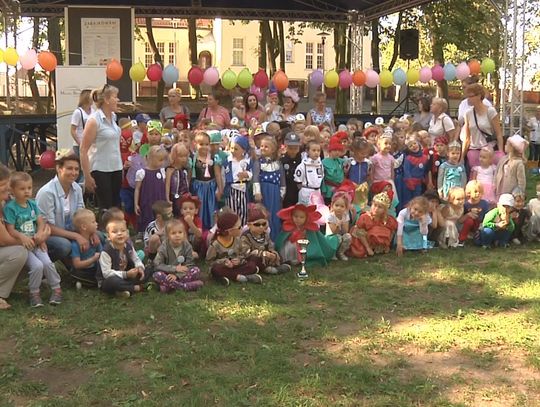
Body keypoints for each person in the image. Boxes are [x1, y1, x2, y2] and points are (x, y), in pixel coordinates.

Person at [4, 172, 62, 307]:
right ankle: (34, 293)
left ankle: (56, 288)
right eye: (22, 189)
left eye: (29, 188)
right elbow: (10, 229)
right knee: (37, 266)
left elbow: (40, 221)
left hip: (37, 243)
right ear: (12, 190)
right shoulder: (10, 208)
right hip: (24, 245)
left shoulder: (32, 204)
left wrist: (40, 235)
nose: (27, 191)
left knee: (47, 263)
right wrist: (22, 237)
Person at [36, 151, 87, 262]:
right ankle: (48, 267)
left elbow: (82, 216)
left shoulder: (77, 188)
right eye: (69, 168)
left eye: (76, 169)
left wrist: (90, 232)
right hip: (49, 234)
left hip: (71, 230)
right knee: (64, 246)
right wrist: (76, 236)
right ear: (59, 168)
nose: (74, 172)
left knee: (99, 236)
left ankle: (82, 267)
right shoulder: (47, 193)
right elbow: (47, 226)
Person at [80, 84, 123, 211]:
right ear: (107, 100)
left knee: (116, 206)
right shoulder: (94, 120)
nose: (118, 100)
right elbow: (83, 150)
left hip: (116, 167)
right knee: (106, 208)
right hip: (100, 170)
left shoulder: (113, 117)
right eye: (115, 97)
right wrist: (87, 176)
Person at [98, 218, 150, 297]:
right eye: (115, 232)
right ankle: (134, 288)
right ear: (108, 236)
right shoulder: (106, 251)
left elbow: (136, 258)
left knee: (147, 270)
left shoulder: (128, 246)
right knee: (112, 282)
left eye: (123, 231)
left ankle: (122, 290)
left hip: (126, 276)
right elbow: (106, 273)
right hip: (110, 279)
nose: (119, 233)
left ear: (127, 233)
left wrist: (139, 267)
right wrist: (126, 274)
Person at [0, 164, 28, 310]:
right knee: (19, 252)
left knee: (25, 251)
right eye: (3, 186)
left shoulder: (5, 201)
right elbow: (4, 239)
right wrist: (33, 239)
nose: (7, 190)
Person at [206, 212, 261, 286]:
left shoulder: (237, 240)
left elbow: (243, 254)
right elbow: (209, 262)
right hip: (224, 267)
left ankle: (231, 276)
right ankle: (241, 277)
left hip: (236, 267)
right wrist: (224, 262)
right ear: (229, 231)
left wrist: (239, 260)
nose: (241, 228)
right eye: (239, 227)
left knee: (252, 263)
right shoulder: (215, 244)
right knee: (216, 270)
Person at [152, 219, 204, 293]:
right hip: (167, 273)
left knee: (196, 270)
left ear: (184, 234)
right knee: (156, 275)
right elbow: (157, 264)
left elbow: (189, 264)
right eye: (173, 233)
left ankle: (169, 287)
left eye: (180, 232)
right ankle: (185, 286)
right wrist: (174, 269)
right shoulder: (163, 247)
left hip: (182, 273)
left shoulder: (187, 246)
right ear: (168, 236)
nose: (177, 235)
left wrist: (177, 275)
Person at [461, 83, 504, 168]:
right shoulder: (468, 113)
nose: (468, 99)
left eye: (471, 96)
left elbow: (499, 134)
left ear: (479, 96)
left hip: (489, 149)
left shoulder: (490, 112)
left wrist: (500, 152)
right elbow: (467, 137)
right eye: (467, 96)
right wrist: (462, 157)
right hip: (474, 150)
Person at [240, 204, 291, 275]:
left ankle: (275, 266)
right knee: (254, 259)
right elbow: (245, 252)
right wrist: (262, 254)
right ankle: (268, 269)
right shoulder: (245, 236)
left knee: (277, 254)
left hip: (266, 257)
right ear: (249, 225)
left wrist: (272, 253)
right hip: (253, 258)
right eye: (257, 224)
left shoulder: (265, 234)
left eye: (263, 224)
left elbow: (270, 246)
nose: (261, 227)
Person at [253, 136, 285, 241]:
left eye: (266, 147)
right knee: (264, 213)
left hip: (275, 192)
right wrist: (257, 192)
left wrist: (281, 193)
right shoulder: (258, 163)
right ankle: (262, 238)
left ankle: (274, 239)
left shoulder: (278, 164)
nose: (262, 148)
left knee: (274, 214)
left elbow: (282, 180)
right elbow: (256, 178)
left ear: (273, 149)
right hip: (264, 190)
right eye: (261, 146)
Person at [348, 191, 397, 258]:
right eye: (375, 205)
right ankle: (367, 248)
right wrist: (367, 248)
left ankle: (379, 247)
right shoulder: (365, 217)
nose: (376, 209)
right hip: (364, 240)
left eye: (380, 207)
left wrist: (387, 245)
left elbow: (392, 232)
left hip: (376, 242)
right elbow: (359, 232)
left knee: (385, 230)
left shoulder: (388, 220)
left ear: (385, 210)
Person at [134, 145, 168, 233]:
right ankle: (143, 232)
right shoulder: (142, 173)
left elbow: (164, 186)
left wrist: (167, 200)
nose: (162, 162)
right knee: (146, 215)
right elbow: (137, 189)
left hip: (159, 199)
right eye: (160, 160)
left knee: (160, 215)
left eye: (163, 160)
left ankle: (160, 230)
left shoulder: (162, 171)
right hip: (147, 200)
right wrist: (136, 204)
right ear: (151, 158)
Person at [70, 209, 102, 288]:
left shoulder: (96, 240)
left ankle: (86, 282)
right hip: (82, 270)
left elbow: (102, 254)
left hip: (94, 268)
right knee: (76, 273)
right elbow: (77, 265)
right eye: (93, 222)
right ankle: (90, 282)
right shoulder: (75, 245)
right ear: (84, 227)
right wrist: (93, 259)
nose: (96, 224)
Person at [495, 134, 527, 199]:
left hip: (512, 193)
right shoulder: (503, 159)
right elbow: (497, 172)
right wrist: (494, 183)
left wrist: (519, 194)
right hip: (500, 189)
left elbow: (521, 181)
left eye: (507, 144)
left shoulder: (518, 163)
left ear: (512, 148)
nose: (505, 146)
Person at [325, 192, 353, 261]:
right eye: (336, 205)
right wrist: (337, 224)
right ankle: (332, 253)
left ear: (346, 208)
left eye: (342, 206)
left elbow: (345, 231)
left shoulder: (346, 216)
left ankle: (341, 252)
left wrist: (343, 223)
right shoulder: (330, 216)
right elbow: (333, 231)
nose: (339, 208)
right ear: (332, 205)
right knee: (338, 238)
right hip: (331, 237)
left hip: (341, 234)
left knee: (348, 236)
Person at [70, 89, 93, 156]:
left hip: (91, 144)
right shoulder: (78, 112)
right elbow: (72, 130)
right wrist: (80, 143)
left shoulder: (93, 111)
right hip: (79, 144)